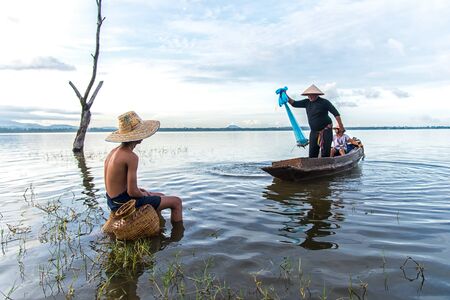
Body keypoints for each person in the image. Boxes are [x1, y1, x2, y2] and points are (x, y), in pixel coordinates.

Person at [104, 111, 183, 223]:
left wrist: (143, 192)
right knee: (176, 202)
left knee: (160, 195)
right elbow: (132, 192)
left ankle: (158, 226)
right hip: (123, 204)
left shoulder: (113, 152)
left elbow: (116, 185)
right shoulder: (131, 156)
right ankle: (177, 236)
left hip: (112, 201)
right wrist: (145, 194)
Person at [287, 84, 345, 158]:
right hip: (314, 131)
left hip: (326, 130)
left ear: (317, 94)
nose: (310, 97)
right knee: (312, 153)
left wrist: (341, 126)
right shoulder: (306, 102)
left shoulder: (324, 102)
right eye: (308, 95)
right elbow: (294, 103)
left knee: (325, 153)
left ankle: (325, 166)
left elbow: (336, 114)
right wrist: (285, 96)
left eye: (312, 95)